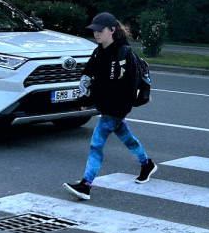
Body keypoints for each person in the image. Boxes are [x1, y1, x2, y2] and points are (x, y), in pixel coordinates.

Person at [63, 12, 157, 200]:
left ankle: (86, 185)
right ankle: (147, 164)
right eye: (94, 31)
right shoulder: (99, 52)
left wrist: (120, 109)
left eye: (100, 30)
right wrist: (83, 98)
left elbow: (129, 87)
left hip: (116, 107)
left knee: (96, 144)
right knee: (126, 137)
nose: (96, 34)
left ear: (112, 30)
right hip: (106, 105)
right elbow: (88, 74)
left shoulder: (123, 53)